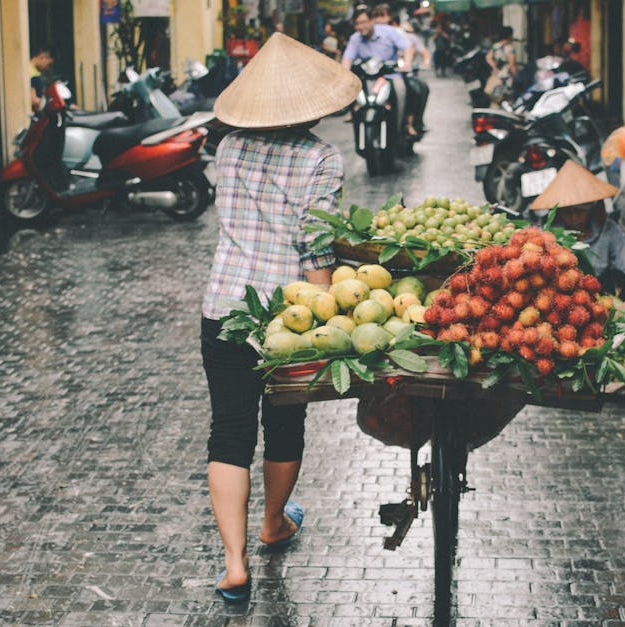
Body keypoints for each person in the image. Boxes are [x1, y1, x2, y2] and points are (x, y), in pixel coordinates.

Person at [203, 33, 359, 603]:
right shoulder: (320, 157)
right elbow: (315, 246)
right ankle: (273, 524)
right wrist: (327, 320)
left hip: (223, 306)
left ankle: (234, 564)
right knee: (285, 424)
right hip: (286, 315)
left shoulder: (227, 148)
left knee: (230, 430)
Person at [533, 161, 625, 305]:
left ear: (591, 209)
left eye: (580, 211)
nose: (574, 217)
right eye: (568, 212)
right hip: (558, 300)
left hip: (598, 297)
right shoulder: (548, 233)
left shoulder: (608, 230)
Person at [342, 6, 417, 136]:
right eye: (357, 24)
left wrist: (407, 63)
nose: (360, 27)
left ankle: (401, 125)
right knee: (350, 90)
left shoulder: (390, 32)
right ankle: (355, 116)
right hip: (366, 78)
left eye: (363, 22)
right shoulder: (355, 38)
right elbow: (347, 59)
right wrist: (343, 75)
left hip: (390, 76)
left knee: (402, 90)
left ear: (372, 21)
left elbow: (408, 47)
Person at [485, 27, 517, 105]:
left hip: (496, 74)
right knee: (505, 96)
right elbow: (512, 64)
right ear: (509, 36)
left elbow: (488, 57)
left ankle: (494, 109)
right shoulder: (510, 48)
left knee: (495, 95)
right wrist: (516, 76)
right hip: (506, 76)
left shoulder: (496, 46)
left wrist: (494, 67)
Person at [29, 45, 55, 112]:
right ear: (42, 57)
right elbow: (33, 99)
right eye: (48, 64)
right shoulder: (31, 73)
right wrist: (52, 104)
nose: (47, 68)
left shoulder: (35, 72)